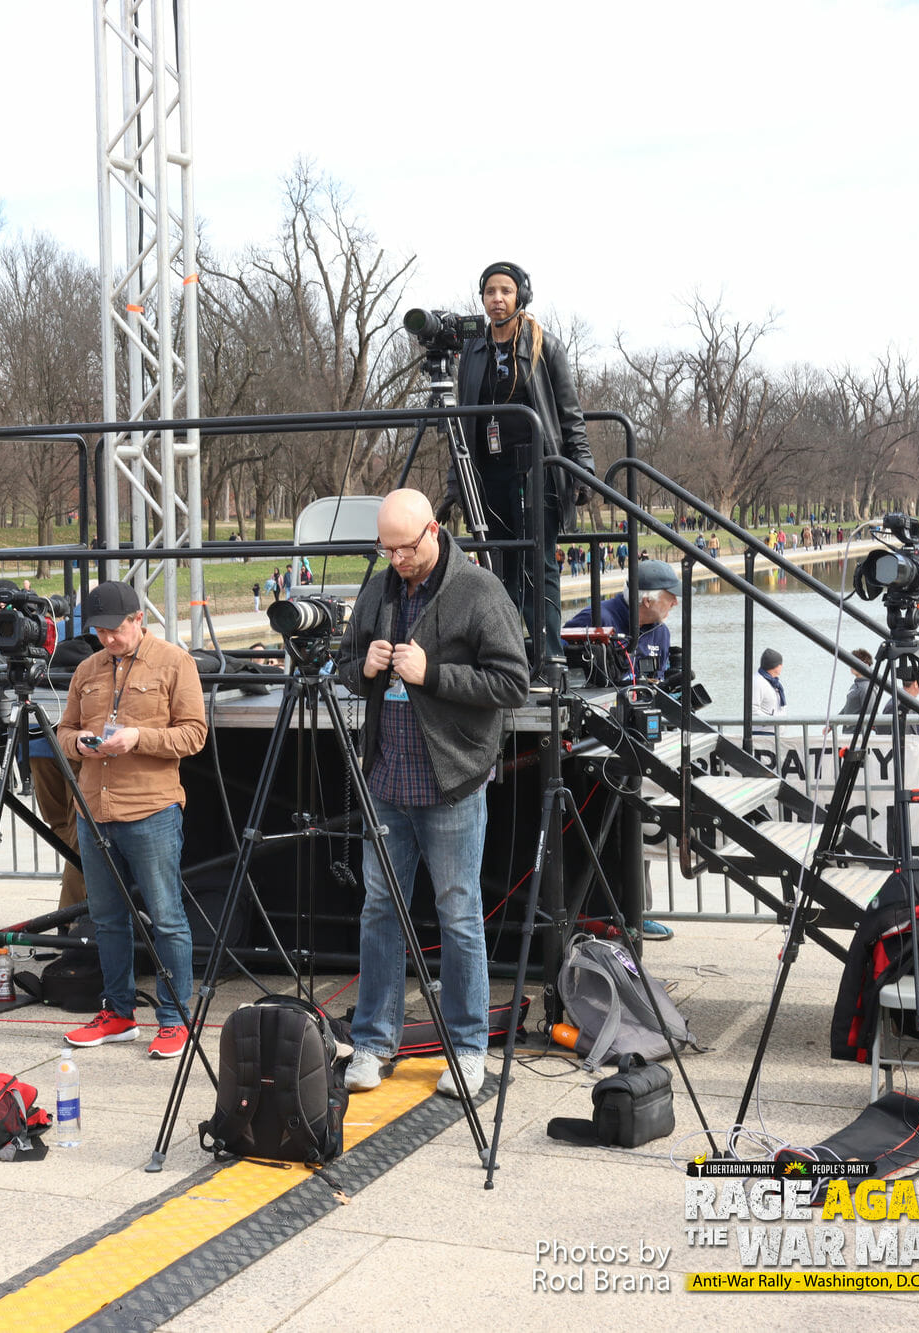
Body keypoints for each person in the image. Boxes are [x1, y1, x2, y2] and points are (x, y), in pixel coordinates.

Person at [336, 491, 528, 1102]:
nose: (397, 559)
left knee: (459, 915)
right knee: (379, 912)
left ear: (434, 531)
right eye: (386, 549)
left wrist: (433, 675)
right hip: (387, 781)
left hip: (451, 784)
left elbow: (513, 682)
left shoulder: (477, 591)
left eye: (406, 547)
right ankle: (372, 1042)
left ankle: (468, 1050)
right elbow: (342, 666)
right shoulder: (379, 591)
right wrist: (363, 667)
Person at [57, 581, 207, 1061]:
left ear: (138, 618)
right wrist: (77, 743)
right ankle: (118, 1014)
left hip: (151, 811)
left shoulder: (174, 662)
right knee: (105, 919)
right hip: (93, 812)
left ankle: (174, 1019)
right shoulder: (86, 668)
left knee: (167, 919)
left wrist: (138, 738)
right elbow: (63, 730)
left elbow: (194, 735)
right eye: (98, 631)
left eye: (114, 629)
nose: (106, 639)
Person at [445, 261, 595, 658]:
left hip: (536, 472)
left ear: (520, 296)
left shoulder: (545, 345)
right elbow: (460, 420)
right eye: (490, 292)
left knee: (537, 566)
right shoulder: (473, 351)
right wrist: (454, 483)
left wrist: (582, 470)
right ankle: (506, 656)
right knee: (496, 569)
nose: (497, 299)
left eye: (505, 291)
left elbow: (569, 415)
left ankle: (548, 657)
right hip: (488, 473)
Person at [562, 559, 681, 679]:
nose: (675, 603)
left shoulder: (661, 632)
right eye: (671, 598)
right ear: (647, 601)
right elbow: (556, 660)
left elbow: (659, 679)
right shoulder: (596, 619)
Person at [751, 648, 786, 737]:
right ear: (776, 666)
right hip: (762, 735)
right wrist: (773, 720)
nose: (782, 666)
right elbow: (752, 710)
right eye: (780, 664)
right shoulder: (757, 682)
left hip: (774, 733)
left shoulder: (773, 682)